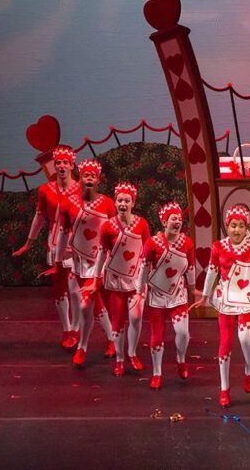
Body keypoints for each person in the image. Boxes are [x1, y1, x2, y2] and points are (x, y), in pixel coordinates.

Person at [198, 205, 250, 407]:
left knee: (244, 337)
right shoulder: (218, 247)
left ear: (246, 228)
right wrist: (205, 295)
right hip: (226, 299)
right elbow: (212, 271)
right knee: (225, 342)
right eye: (233, 225)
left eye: (241, 226)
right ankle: (224, 388)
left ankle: (249, 370)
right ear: (227, 226)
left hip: (247, 298)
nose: (237, 230)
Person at [14, 144, 82, 350]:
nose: (61, 166)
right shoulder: (45, 190)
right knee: (60, 289)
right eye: (58, 162)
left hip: (77, 245)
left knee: (75, 290)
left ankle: (76, 328)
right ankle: (67, 329)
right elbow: (39, 217)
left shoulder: (81, 189)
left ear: (72, 165)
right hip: (55, 244)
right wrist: (28, 243)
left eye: (65, 162)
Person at [97, 182, 152, 376]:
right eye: (119, 200)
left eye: (127, 201)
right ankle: (120, 359)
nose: (123, 204)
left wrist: (149, 278)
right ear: (115, 202)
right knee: (117, 321)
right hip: (115, 282)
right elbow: (101, 253)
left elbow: (147, 252)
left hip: (136, 281)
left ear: (133, 203)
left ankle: (132, 353)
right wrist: (95, 278)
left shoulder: (142, 224)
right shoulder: (107, 226)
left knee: (136, 318)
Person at [67, 159, 118, 368]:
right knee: (96, 305)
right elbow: (64, 231)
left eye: (93, 176)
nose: (89, 178)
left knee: (86, 303)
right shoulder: (70, 202)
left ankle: (82, 347)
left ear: (98, 180)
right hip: (78, 262)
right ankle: (112, 339)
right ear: (80, 178)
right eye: (86, 175)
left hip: (99, 262)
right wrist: (60, 258)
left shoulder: (107, 203)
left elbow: (115, 231)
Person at [143, 202, 196, 390]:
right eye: (174, 218)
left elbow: (190, 267)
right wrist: (140, 290)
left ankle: (181, 359)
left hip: (178, 295)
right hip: (156, 296)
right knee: (157, 336)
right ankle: (157, 372)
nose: (178, 222)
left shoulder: (187, 243)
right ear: (164, 222)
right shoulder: (152, 243)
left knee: (183, 332)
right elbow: (143, 267)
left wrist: (193, 289)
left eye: (180, 219)